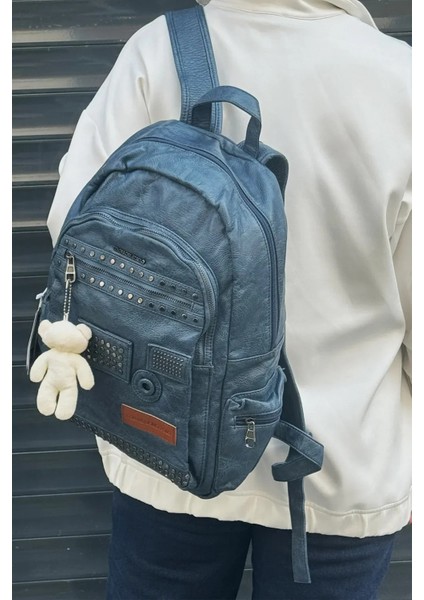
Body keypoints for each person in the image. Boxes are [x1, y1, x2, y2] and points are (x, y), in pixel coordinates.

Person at [46, 1, 412, 598]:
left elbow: (74, 224)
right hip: (339, 468)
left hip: (165, 438)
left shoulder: (160, 50)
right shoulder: (402, 80)